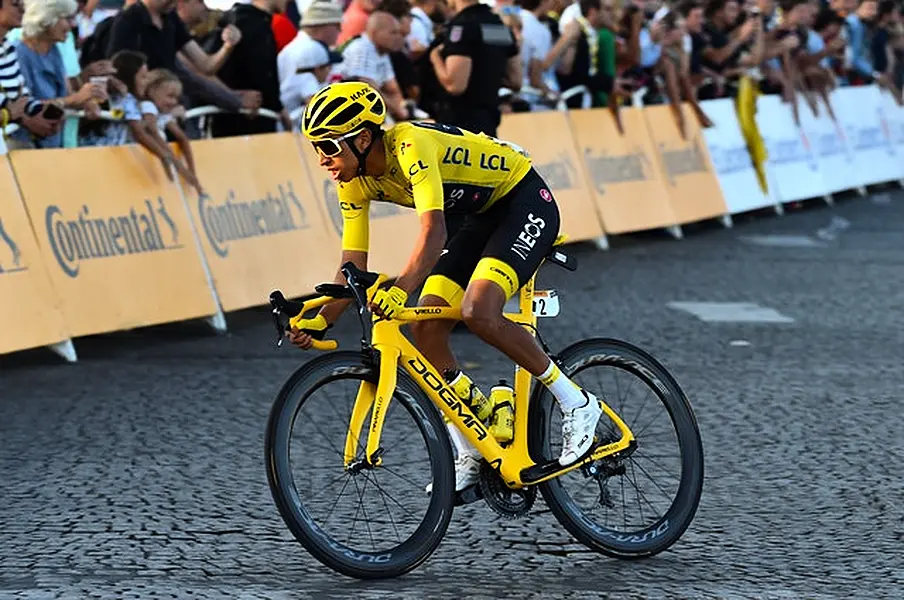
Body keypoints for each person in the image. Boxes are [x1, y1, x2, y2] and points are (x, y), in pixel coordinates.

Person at [288, 81, 603, 492]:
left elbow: (433, 233)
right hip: (479, 218)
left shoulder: (409, 146)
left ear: (363, 138)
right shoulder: (352, 180)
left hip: (522, 200)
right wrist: (320, 319)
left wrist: (400, 289)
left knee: (479, 311)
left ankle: (576, 402)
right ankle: (472, 445)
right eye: (316, 148)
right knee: (426, 327)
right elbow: (352, 264)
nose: (322, 159)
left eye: (328, 146)